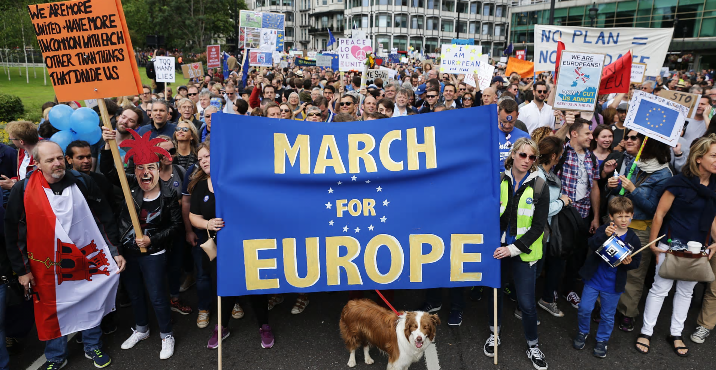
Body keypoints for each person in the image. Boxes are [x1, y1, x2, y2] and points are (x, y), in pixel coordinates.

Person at [5, 140, 124, 369]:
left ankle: (92, 345)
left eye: (59, 158)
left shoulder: (82, 182)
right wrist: (23, 270)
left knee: (91, 300)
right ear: (37, 164)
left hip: (87, 258)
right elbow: (14, 232)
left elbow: (104, 218)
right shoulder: (23, 189)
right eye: (50, 160)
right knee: (51, 308)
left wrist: (114, 251)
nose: (57, 163)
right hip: (47, 266)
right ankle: (56, 356)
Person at [100, 127, 181, 360]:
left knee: (157, 295)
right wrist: (108, 144)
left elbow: (175, 227)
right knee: (135, 294)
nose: (145, 173)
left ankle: (167, 334)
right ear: (134, 170)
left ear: (158, 169)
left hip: (154, 253)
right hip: (129, 252)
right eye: (140, 168)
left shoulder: (167, 195)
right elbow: (107, 170)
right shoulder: (129, 187)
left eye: (150, 168)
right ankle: (142, 329)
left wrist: (152, 239)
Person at [635, 134, 716, 357]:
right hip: (669, 243)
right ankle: (646, 331)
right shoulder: (678, 182)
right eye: (714, 155)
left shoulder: (715, 186)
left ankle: (676, 333)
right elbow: (659, 214)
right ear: (699, 158)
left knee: (686, 292)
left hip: (698, 247)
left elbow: (713, 218)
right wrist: (653, 244)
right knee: (660, 289)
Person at [188, 142, 274, 349]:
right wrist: (207, 223)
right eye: (200, 159)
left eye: (207, 156)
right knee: (223, 286)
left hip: (247, 242)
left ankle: (264, 325)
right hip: (220, 248)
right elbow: (193, 216)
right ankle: (221, 327)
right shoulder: (200, 187)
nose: (204, 161)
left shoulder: (237, 180)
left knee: (256, 285)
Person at [485, 137, 549, 370]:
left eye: (532, 157)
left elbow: (538, 227)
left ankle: (533, 345)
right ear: (513, 154)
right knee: (496, 295)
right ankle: (494, 334)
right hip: (497, 248)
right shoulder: (498, 179)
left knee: (526, 303)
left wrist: (511, 249)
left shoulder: (540, 185)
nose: (527, 160)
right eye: (523, 155)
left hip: (523, 253)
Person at [604, 135, 673, 332]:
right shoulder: (636, 162)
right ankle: (603, 307)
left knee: (633, 273)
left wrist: (633, 189)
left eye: (640, 140)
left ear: (651, 146)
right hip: (619, 224)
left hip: (641, 228)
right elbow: (622, 193)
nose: (633, 142)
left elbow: (653, 208)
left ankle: (627, 313)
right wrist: (615, 185)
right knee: (609, 266)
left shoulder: (664, 174)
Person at [573, 197, 641, 358]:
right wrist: (604, 235)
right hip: (594, 279)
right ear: (611, 217)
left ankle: (602, 340)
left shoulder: (634, 239)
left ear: (632, 215)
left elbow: (636, 263)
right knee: (584, 308)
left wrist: (628, 262)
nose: (624, 220)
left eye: (627, 216)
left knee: (607, 315)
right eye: (619, 216)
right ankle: (583, 332)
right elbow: (592, 245)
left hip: (613, 285)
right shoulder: (605, 229)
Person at [555, 118, 601, 309]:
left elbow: (595, 187)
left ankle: (569, 289)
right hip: (563, 213)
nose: (592, 136)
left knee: (577, 255)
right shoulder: (562, 152)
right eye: (588, 133)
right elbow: (552, 141)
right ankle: (553, 288)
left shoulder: (591, 158)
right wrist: (566, 123)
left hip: (583, 214)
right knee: (558, 253)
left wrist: (596, 216)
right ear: (574, 134)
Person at [497, 99, 530, 170]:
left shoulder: (524, 137)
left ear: (517, 115)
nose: (507, 125)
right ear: (498, 114)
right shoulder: (488, 135)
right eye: (504, 122)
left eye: (511, 122)